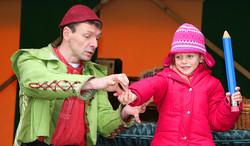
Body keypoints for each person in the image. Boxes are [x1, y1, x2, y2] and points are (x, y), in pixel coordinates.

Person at [11, 4, 148, 146]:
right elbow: (35, 83)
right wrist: (93, 83)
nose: (94, 44)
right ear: (67, 33)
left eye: (97, 38)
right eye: (87, 36)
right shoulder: (31, 59)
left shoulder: (94, 73)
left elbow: (103, 126)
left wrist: (125, 112)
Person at [117, 23, 243, 146]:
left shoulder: (212, 84)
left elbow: (218, 124)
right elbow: (151, 84)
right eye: (178, 57)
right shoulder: (165, 78)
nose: (184, 61)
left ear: (201, 58)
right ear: (173, 58)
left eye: (189, 56)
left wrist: (229, 105)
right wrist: (134, 93)